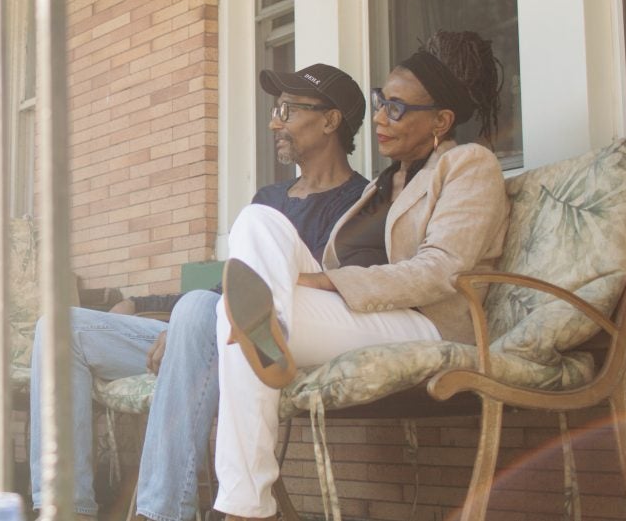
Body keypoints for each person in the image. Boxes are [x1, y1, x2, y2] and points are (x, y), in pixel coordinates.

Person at [30, 63, 370, 521]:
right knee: (60, 329)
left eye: (288, 110)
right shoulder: (269, 199)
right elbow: (229, 280)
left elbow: (330, 293)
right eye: (275, 109)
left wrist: (196, 316)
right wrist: (152, 308)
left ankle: (160, 512)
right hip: (210, 333)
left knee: (196, 310)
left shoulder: (361, 205)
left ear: (331, 121)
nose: (275, 122)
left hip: (272, 349)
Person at [211, 31, 510, 521]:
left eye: (397, 108)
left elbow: (443, 270)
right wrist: (314, 279)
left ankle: (244, 507)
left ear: (441, 120)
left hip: (427, 322)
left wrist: (331, 283)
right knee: (256, 221)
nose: (379, 117)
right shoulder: (381, 184)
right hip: (364, 314)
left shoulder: (466, 165)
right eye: (379, 102)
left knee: (233, 317)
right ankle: (268, 330)